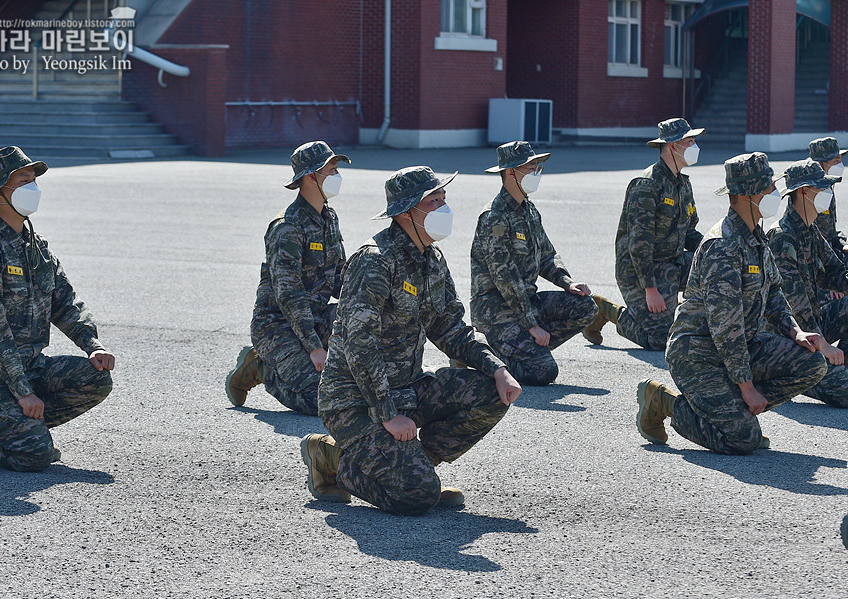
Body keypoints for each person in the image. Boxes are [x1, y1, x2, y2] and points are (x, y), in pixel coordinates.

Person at [300, 166, 522, 515]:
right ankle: (332, 459)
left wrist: (497, 368)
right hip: (355, 401)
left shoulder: (431, 258)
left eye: (443, 199)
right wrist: (387, 413)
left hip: (407, 387)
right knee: (417, 498)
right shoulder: (374, 261)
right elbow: (360, 345)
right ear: (406, 212)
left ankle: (415, 465)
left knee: (492, 392)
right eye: (433, 201)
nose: (443, 208)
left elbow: (450, 327)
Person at [636, 152, 828, 454]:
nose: (775, 195)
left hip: (741, 345)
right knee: (743, 440)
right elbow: (726, 329)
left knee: (813, 364)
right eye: (769, 189)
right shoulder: (722, 246)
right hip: (698, 354)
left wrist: (795, 332)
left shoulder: (755, 235)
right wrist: (747, 387)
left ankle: (730, 415)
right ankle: (666, 402)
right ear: (748, 194)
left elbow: (774, 293)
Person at [0, 146, 115, 471]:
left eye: (33, 180)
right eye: (23, 181)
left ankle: (18, 427)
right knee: (35, 455)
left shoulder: (36, 248)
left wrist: (93, 346)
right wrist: (23, 392)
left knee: (97, 380)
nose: (33, 188)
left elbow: (65, 303)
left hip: (27, 365)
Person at [225, 141, 349, 415]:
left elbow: (341, 276)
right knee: (322, 400)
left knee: (363, 319)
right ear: (310, 176)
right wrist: (315, 348)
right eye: (332, 170)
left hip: (315, 317)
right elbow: (288, 294)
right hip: (278, 325)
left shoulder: (328, 217)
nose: (337, 176)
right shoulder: (287, 227)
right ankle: (260, 365)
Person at [469, 141, 597, 385]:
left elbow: (547, 255)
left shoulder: (529, 210)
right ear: (509, 173)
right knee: (544, 372)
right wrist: (531, 325)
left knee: (586, 307)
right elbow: (506, 279)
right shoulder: (494, 218)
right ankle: (484, 354)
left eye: (538, 167)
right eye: (530, 168)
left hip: (525, 303)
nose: (536, 173)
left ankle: (524, 349)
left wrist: (567, 283)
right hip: (496, 310)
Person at [585, 118, 704, 350]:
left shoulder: (683, 184)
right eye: (690, 142)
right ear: (673, 146)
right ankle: (607, 311)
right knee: (660, 341)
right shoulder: (646, 185)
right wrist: (651, 290)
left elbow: (689, 232)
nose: (695, 147)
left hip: (672, 262)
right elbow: (639, 243)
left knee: (720, 271)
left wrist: (714, 250)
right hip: (640, 271)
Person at [767, 159, 848, 407]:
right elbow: (795, 306)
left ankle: (839, 364)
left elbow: (835, 274)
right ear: (803, 191)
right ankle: (791, 377)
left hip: (811, 325)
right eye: (821, 188)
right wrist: (822, 345)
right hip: (787, 337)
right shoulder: (782, 236)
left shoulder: (808, 229)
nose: (828, 192)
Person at [808, 137, 848, 261]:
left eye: (840, 160)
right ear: (820, 164)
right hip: (815, 259)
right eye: (836, 161)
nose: (840, 165)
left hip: (829, 252)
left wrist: (843, 244)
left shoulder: (828, 187)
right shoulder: (810, 192)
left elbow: (830, 233)